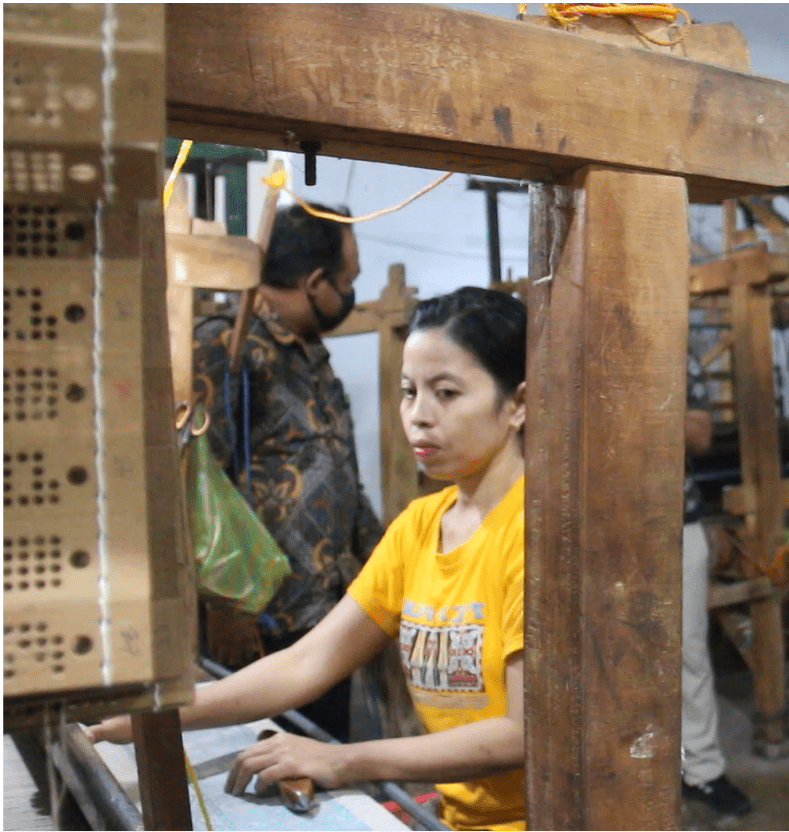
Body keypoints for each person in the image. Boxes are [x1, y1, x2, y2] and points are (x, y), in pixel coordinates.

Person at [92, 288, 531, 831]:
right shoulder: (421, 526)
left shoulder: (536, 533)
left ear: (518, 404)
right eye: (408, 391)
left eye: (446, 393)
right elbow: (309, 661)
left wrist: (344, 759)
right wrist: (152, 713)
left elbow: (521, 732)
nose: (418, 416)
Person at [193, 203, 385, 742]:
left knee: (320, 767)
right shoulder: (226, 347)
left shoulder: (312, 357)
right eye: (348, 281)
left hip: (325, 618)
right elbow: (193, 485)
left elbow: (341, 478)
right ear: (315, 281)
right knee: (259, 783)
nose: (349, 294)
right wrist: (225, 605)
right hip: (259, 625)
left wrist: (394, 564)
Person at [678, 343, 753, 816]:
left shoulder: (671, 349)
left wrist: (643, 394)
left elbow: (701, 436)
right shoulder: (565, 340)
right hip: (594, 527)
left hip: (674, 525)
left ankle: (700, 771)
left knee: (688, 652)